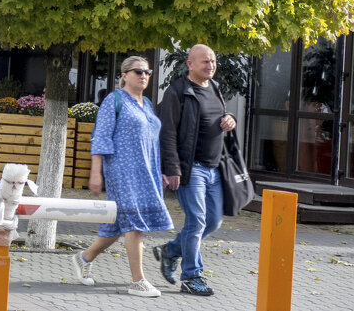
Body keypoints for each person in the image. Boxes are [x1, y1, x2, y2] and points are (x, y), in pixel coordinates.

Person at [70, 56, 172, 298]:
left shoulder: (146, 102)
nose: (144, 75)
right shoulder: (113, 100)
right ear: (124, 75)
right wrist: (96, 173)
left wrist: (160, 171)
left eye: (147, 71)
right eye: (138, 71)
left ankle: (83, 258)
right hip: (122, 172)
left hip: (145, 172)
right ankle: (138, 281)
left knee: (118, 225)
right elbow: (101, 137)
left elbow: (150, 140)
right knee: (135, 224)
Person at [153, 44, 237, 297]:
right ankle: (191, 276)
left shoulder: (215, 87)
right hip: (191, 169)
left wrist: (230, 119)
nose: (210, 66)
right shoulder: (177, 91)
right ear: (190, 64)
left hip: (214, 168)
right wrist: (171, 168)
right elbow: (166, 133)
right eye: (204, 62)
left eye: (213, 61)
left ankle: (170, 250)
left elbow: (217, 118)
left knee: (213, 221)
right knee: (197, 221)